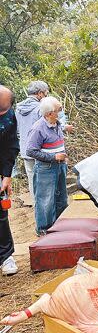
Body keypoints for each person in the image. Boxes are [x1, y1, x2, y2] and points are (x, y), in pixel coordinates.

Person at [15, 81, 72, 201]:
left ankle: (37, 209)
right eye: (46, 93)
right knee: (45, 189)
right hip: (41, 152)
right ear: (40, 94)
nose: (46, 96)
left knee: (33, 184)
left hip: (26, 149)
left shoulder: (18, 108)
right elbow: (46, 127)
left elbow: (17, 129)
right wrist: (63, 127)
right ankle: (46, 214)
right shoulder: (42, 108)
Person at [25, 97, 68, 235]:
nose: (61, 112)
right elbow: (30, 151)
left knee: (61, 198)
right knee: (45, 201)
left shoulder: (56, 123)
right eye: (59, 110)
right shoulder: (38, 129)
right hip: (46, 169)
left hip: (60, 166)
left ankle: (58, 227)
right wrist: (53, 157)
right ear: (49, 113)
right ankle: (44, 230)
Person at [0, 85, 19, 275]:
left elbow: (10, 145)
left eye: (2, 110)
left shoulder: (9, 117)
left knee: (1, 214)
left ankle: (5, 257)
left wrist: (7, 175)